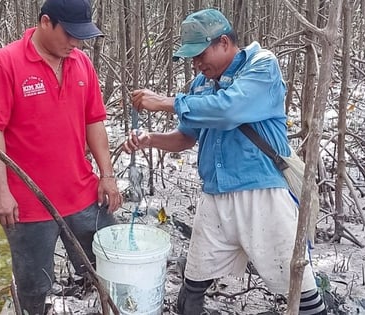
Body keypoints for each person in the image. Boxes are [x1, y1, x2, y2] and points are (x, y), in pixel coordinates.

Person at [123, 8, 326, 315]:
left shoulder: (261, 66)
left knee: (297, 285)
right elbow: (186, 137)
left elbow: (229, 110)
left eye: (200, 54)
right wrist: (151, 139)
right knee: (193, 283)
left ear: (224, 42)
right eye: (191, 58)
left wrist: (166, 102)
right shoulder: (201, 85)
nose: (196, 64)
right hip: (215, 196)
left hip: (262, 194)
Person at [0, 0, 122, 313]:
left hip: (82, 192)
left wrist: (107, 175)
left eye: (81, 35)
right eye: (69, 34)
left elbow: (94, 121)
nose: (75, 42)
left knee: (111, 266)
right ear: (45, 22)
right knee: (31, 287)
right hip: (28, 204)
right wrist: (1, 191)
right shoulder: (4, 64)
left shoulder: (81, 63)